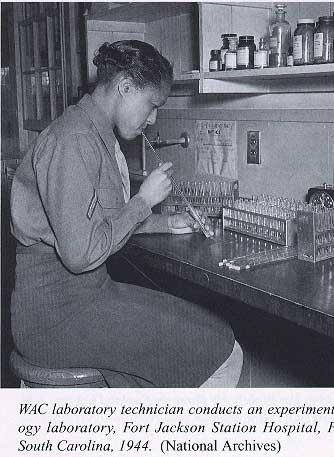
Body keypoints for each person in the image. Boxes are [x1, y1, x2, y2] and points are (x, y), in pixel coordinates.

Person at [10, 40, 243, 387]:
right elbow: (80, 254)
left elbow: (96, 224)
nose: (153, 119)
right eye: (151, 105)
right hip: (55, 319)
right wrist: (143, 202)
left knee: (214, 332)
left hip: (86, 298)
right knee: (222, 353)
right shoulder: (72, 140)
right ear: (125, 87)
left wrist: (164, 223)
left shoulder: (95, 133)